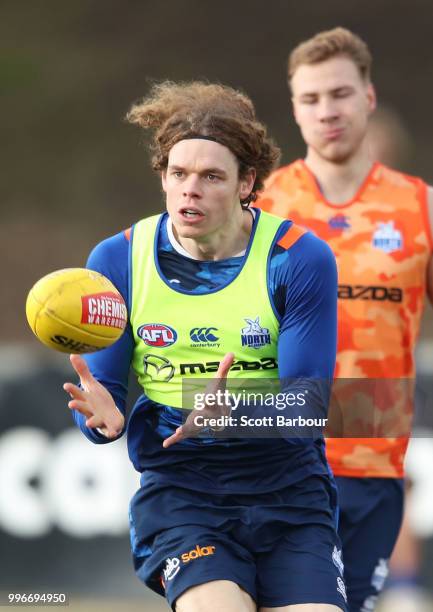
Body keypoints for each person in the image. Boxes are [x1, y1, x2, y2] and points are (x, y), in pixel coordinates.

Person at [63, 81, 347, 612]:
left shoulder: (298, 258)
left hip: (290, 494)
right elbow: (103, 401)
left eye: (211, 176)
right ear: (164, 179)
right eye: (178, 174)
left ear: (247, 183)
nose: (190, 189)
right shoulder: (118, 260)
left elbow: (307, 409)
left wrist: (232, 413)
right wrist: (104, 419)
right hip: (184, 494)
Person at [257, 28, 433, 612]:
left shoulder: (420, 208)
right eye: (311, 99)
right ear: (294, 109)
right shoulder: (259, 208)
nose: (327, 111)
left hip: (372, 464)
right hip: (273, 458)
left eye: (340, 94)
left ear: (369, 97)